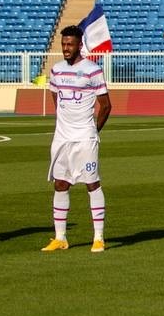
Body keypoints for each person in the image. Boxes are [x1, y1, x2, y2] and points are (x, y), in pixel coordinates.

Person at [42, 25, 112, 253]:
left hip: (84, 138)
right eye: (63, 44)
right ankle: (60, 238)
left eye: (70, 44)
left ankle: (99, 238)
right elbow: (56, 96)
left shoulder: (92, 70)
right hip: (62, 138)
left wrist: (93, 130)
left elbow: (106, 105)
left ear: (80, 44)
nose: (66, 48)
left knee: (91, 184)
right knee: (61, 184)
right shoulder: (57, 70)